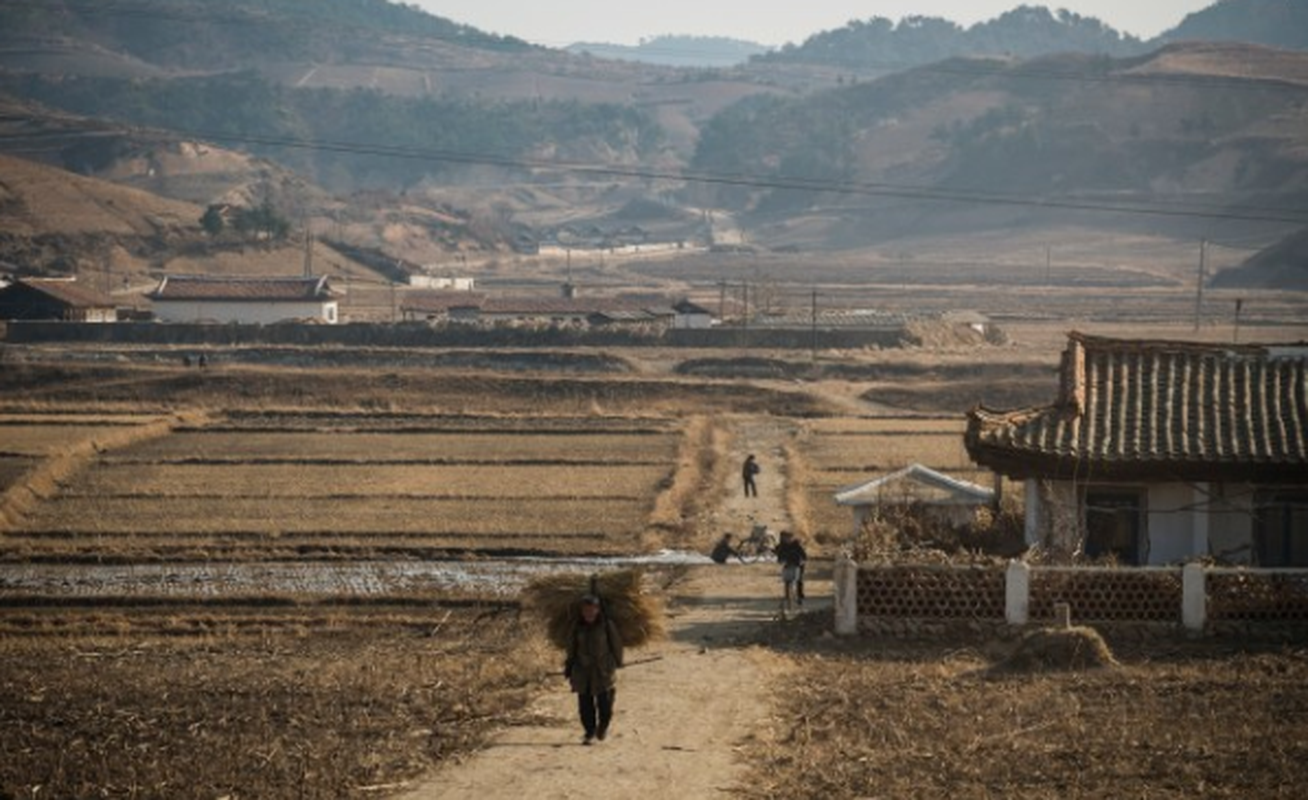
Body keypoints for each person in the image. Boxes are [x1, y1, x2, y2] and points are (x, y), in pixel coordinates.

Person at [565, 593, 624, 745]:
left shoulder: (606, 625)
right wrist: (569, 666)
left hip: (603, 669)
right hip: (582, 670)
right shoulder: (577, 626)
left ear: (598, 609)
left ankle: (602, 727)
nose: (588, 613)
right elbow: (571, 648)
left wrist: (617, 662)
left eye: (592, 609)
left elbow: (616, 644)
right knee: (585, 705)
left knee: (605, 706)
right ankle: (589, 732)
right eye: (585, 610)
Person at [775, 531, 807, 608]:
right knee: (787, 581)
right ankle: (787, 597)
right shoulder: (781, 546)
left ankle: (800, 597)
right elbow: (779, 556)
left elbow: (804, 556)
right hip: (787, 564)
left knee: (799, 580)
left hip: (797, 564)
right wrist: (781, 560)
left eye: (788, 538)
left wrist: (802, 561)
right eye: (784, 538)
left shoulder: (796, 545)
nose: (786, 539)